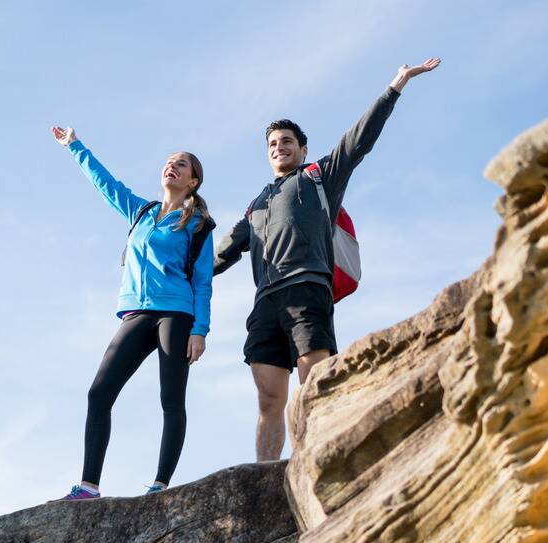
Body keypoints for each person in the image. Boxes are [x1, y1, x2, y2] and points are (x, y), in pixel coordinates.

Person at [212, 58, 440, 461]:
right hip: (266, 300)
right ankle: (266, 476)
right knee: (268, 397)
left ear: (302, 149)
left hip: (307, 288)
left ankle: (313, 462)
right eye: (272, 145)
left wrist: (396, 85)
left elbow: (358, 140)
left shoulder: (319, 177)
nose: (278, 148)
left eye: (286, 142)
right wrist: (166, 261)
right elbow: (220, 253)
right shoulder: (257, 204)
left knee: (314, 383)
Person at [52, 126, 215, 499]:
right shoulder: (140, 212)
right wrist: (75, 146)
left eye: (182, 164)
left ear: (193, 181)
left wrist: (200, 330)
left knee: (171, 399)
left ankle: (160, 485)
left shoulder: (199, 225)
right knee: (99, 392)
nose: (172, 166)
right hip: (136, 314)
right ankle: (89, 487)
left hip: (176, 315)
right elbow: (105, 183)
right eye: (169, 161)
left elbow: (204, 282)